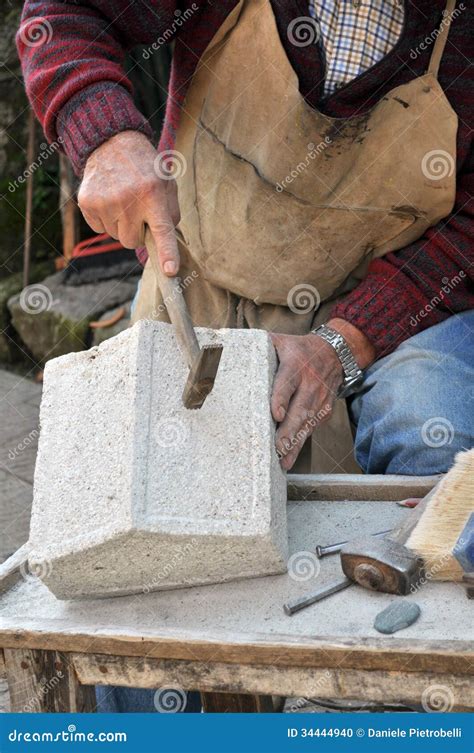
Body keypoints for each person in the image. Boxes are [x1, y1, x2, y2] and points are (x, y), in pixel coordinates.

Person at [17, 0, 473, 711]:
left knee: (401, 506)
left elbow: (464, 233)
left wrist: (341, 345)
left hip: (373, 314)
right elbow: (66, 14)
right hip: (191, 286)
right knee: (131, 575)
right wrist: (104, 136)